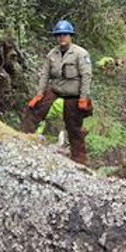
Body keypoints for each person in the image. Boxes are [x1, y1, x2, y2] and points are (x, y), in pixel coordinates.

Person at [20, 19, 93, 164]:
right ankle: (22, 140)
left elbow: (86, 76)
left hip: (74, 92)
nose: (62, 38)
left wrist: (83, 97)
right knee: (33, 109)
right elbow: (45, 75)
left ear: (70, 36)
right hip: (56, 88)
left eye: (65, 35)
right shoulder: (52, 54)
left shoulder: (80, 53)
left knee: (73, 126)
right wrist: (39, 94)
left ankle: (79, 160)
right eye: (59, 35)